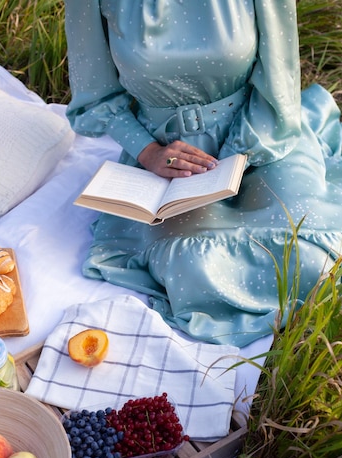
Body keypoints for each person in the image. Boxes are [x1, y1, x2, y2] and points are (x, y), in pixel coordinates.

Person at [64, 0, 342, 347]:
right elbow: (96, 96)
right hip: (167, 158)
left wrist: (231, 159)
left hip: (262, 135)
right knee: (194, 268)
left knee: (311, 257)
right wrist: (148, 152)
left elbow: (278, 79)